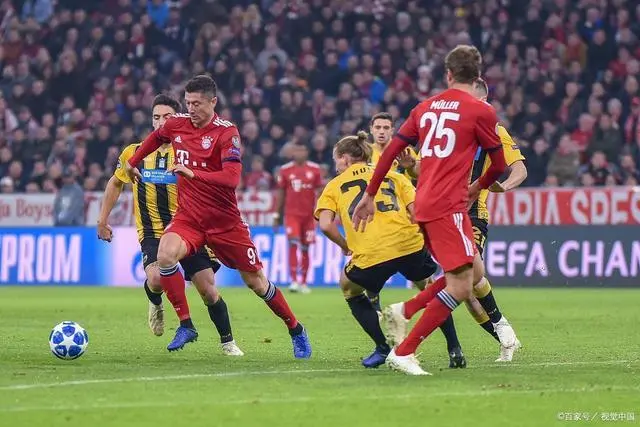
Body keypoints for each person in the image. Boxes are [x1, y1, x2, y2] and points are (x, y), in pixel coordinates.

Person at [123, 75, 312, 358]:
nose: (191, 109)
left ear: (213, 102)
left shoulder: (227, 133)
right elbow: (156, 137)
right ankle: (186, 324)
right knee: (165, 255)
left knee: (257, 283)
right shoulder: (177, 124)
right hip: (189, 218)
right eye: (188, 103)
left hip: (225, 223)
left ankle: (295, 328)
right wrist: (133, 162)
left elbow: (232, 178)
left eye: (197, 103)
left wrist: (193, 174)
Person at [353, 45, 508, 375]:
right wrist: (476, 188)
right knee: (462, 286)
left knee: (472, 272)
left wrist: (369, 194)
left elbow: (392, 151)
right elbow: (499, 165)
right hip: (448, 205)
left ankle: (404, 310)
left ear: (448, 75)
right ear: (477, 77)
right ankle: (404, 351)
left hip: (423, 202)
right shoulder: (481, 111)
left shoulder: (424, 108)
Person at [97, 94, 244, 356]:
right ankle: (156, 302)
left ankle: (228, 342)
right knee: (156, 279)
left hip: (190, 228)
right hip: (153, 232)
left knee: (207, 288)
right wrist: (102, 220)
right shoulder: (135, 152)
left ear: (178, 119)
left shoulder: (188, 151)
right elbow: (116, 182)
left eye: (167, 117)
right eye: (156, 117)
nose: (161, 122)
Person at [398, 78, 526, 362]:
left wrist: (503, 187)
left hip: (472, 212)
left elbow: (519, 169)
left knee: (468, 277)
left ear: (482, 100)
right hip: (443, 211)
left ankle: (407, 320)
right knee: (467, 292)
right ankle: (504, 336)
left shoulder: (495, 130)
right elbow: (425, 170)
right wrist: (411, 167)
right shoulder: (446, 126)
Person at [315, 131, 465, 369]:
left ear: (344, 158)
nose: (336, 166)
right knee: (430, 290)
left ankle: (382, 347)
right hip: (409, 244)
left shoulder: (334, 186)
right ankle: (454, 348)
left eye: (336, 161)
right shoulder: (394, 176)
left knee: (348, 287)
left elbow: (325, 225)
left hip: (372, 253)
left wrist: (345, 246)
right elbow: (417, 211)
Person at [366, 111, 421, 312]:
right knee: (371, 263)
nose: (381, 131)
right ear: (371, 130)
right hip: (375, 216)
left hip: (403, 217)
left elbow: (420, 174)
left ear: (392, 130)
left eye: (386, 128)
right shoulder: (364, 152)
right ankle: (375, 309)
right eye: (378, 127)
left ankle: (431, 303)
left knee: (419, 271)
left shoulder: (404, 151)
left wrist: (410, 168)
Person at [274, 144, 323, 294]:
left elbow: (320, 192)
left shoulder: (315, 169)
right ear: (293, 152)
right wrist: (276, 215)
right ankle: (294, 280)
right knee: (293, 243)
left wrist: (320, 212)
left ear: (307, 152)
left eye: (302, 150)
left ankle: (304, 282)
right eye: (297, 150)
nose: (300, 153)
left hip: (309, 216)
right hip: (292, 215)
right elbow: (281, 193)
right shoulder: (285, 170)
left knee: (306, 248)